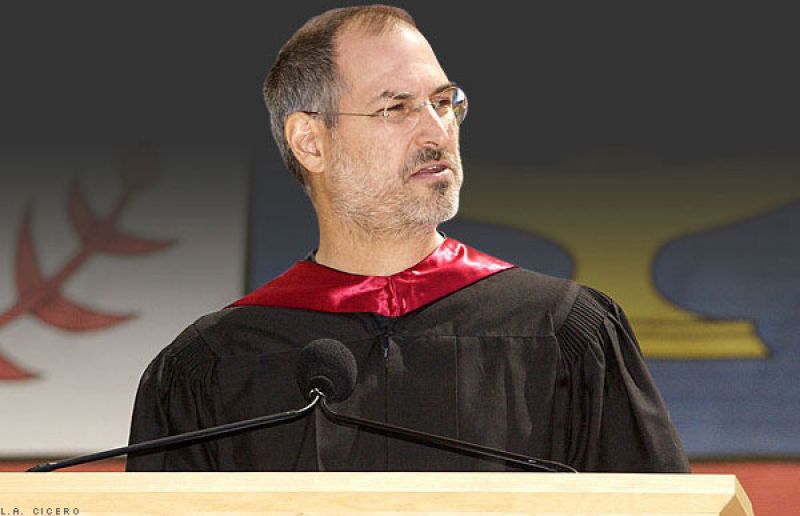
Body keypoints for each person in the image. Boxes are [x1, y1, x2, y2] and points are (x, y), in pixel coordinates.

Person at [126, 5, 689, 473]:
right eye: (396, 108)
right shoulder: (212, 367)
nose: (437, 131)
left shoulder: (561, 333)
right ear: (311, 142)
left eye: (444, 103)